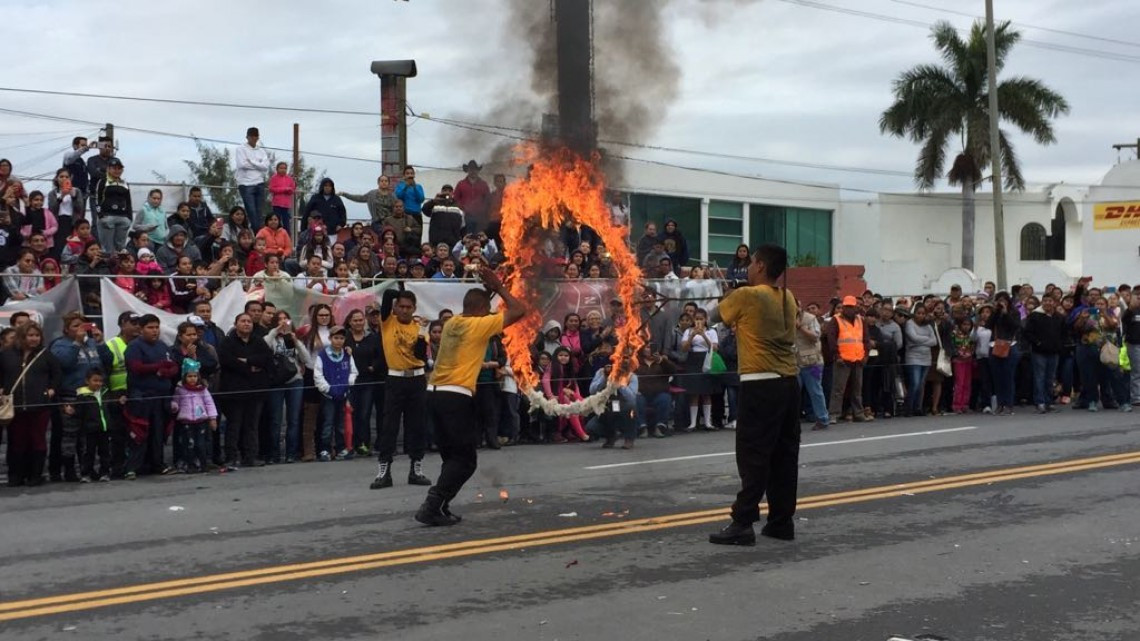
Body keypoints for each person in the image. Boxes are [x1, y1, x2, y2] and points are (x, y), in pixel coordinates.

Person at [414, 264, 526, 527]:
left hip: (434, 394)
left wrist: (487, 292)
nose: (490, 314)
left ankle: (439, 506)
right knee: (465, 461)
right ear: (482, 311)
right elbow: (520, 310)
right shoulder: (479, 324)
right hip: (456, 397)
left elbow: (475, 305)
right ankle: (432, 504)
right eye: (487, 310)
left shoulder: (453, 321)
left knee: (451, 458)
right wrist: (499, 288)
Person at [708, 244, 800, 546]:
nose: (747, 268)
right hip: (789, 383)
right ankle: (781, 522)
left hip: (760, 384)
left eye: (751, 264)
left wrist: (727, 296)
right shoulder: (788, 297)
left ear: (760, 265)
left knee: (753, 456)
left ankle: (743, 521)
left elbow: (713, 316)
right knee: (784, 456)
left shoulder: (747, 295)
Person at [370, 288, 432, 488]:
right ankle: (384, 471)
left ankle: (416, 469)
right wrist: (403, 290)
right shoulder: (388, 321)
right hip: (395, 379)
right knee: (389, 426)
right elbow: (388, 294)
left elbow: (421, 356)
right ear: (396, 307)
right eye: (402, 306)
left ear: (414, 308)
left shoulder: (418, 327)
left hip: (417, 379)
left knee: (417, 425)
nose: (405, 310)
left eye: (409, 307)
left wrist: (423, 332)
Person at [1, 322, 61, 487]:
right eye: (30, 335)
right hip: (16, 405)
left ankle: (36, 475)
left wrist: (51, 389)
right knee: (16, 441)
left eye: (37, 335)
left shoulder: (45, 355)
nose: (34, 339)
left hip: (39, 405)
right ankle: (16, 476)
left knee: (37, 440)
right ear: (22, 336)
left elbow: (57, 374)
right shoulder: (7, 355)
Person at [123, 315, 179, 478]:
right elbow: (136, 367)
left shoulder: (163, 346)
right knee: (139, 432)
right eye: (150, 327)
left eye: (156, 327)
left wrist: (167, 371)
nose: (154, 331)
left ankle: (157, 464)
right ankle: (132, 467)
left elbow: (173, 365)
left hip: (161, 396)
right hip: (142, 396)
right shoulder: (134, 347)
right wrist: (158, 368)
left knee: (158, 433)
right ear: (141, 329)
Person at [219, 312, 274, 468]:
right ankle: (231, 457)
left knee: (252, 425)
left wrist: (247, 360)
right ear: (236, 324)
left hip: (255, 391)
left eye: (249, 321)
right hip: (234, 391)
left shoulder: (258, 341)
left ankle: (250, 456)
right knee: (234, 425)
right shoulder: (228, 342)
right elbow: (227, 361)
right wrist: (250, 367)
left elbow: (267, 358)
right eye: (243, 321)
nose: (246, 324)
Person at [823, 296, 872, 423]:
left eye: (851, 307)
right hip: (842, 360)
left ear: (856, 307)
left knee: (857, 389)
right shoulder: (836, 320)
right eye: (847, 307)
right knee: (838, 389)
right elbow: (831, 340)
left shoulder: (861, 320)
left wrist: (866, 355)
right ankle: (834, 414)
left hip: (858, 358)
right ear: (843, 307)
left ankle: (858, 413)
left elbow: (866, 339)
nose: (849, 309)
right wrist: (837, 356)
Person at [313, 325, 357, 461]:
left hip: (343, 394)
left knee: (340, 424)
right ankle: (325, 449)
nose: (339, 341)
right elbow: (318, 375)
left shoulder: (347, 355)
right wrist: (328, 389)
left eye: (341, 338)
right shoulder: (322, 356)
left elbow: (353, 371)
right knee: (327, 423)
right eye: (336, 338)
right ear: (330, 338)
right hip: (329, 396)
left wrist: (348, 384)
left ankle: (340, 448)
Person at [170, 358, 218, 474]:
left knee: (201, 443)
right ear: (184, 377)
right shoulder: (180, 390)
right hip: (186, 421)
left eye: (195, 376)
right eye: (189, 376)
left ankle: (203, 463)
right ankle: (189, 464)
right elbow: (176, 401)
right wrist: (174, 406)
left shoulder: (202, 390)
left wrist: (212, 418)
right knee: (188, 443)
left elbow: (209, 403)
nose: (192, 379)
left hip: (201, 420)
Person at [1023, 295, 1065, 413]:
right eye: (1045, 301)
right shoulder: (1035, 316)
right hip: (1039, 352)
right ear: (1042, 302)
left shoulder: (1059, 317)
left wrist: (1059, 345)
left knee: (1050, 378)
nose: (1048, 303)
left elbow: (1064, 333)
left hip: (1054, 352)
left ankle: (1049, 401)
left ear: (1054, 303)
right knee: (1039, 377)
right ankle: (1040, 402)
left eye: (1050, 301)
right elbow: (1027, 333)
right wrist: (1038, 343)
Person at [72, 368, 114, 482]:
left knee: (105, 452)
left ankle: (105, 472)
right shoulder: (82, 395)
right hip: (89, 429)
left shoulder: (105, 392)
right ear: (87, 381)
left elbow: (110, 408)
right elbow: (79, 412)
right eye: (95, 380)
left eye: (100, 381)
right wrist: (72, 412)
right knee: (88, 453)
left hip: (104, 428)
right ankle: (86, 474)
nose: (98, 383)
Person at [795, 302, 828, 431]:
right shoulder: (785, 319)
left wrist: (800, 328)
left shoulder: (810, 318)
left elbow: (815, 337)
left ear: (799, 306)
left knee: (816, 391)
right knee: (791, 392)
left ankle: (822, 419)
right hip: (795, 363)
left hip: (814, 362)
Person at [903, 306, 938, 417]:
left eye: (923, 313)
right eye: (918, 313)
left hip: (926, 358)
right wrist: (926, 339)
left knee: (921, 384)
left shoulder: (928, 326)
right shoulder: (909, 324)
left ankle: (918, 407)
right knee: (915, 383)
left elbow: (934, 341)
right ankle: (909, 407)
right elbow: (913, 338)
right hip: (913, 358)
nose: (921, 315)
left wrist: (920, 340)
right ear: (914, 313)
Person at [93, 158, 132, 253]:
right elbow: (97, 199)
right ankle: (107, 267)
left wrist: (129, 218)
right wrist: (101, 215)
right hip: (107, 216)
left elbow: (128, 201)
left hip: (123, 218)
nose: (117, 170)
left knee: (120, 248)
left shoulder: (125, 183)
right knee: (107, 249)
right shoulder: (103, 181)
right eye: (114, 168)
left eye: (119, 168)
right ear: (108, 169)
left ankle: (119, 267)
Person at [235, 127, 270, 230]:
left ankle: (257, 233)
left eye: (256, 136)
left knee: (259, 212)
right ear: (247, 137)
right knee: (251, 211)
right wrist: (258, 164)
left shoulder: (261, 151)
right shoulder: (241, 149)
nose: (254, 138)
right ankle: (256, 233)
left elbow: (265, 167)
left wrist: (251, 161)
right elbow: (242, 164)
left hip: (259, 183)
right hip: (246, 184)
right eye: (251, 136)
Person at [453, 160, 491, 234]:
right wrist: (462, 208)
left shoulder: (483, 184)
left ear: (477, 171)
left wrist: (483, 210)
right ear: (467, 170)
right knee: (468, 237)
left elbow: (488, 200)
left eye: (475, 169)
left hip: (480, 217)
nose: (473, 171)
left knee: (479, 238)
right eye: (471, 169)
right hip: (466, 216)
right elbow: (456, 199)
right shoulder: (461, 184)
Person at [425, 184, 465, 250]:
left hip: (453, 243)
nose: (447, 192)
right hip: (436, 242)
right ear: (441, 192)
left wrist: (462, 242)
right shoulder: (435, 204)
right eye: (445, 190)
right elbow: (425, 210)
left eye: (449, 191)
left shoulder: (458, 207)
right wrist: (433, 201)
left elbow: (463, 226)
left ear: (452, 193)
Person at [267, 162, 296, 234]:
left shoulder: (289, 179)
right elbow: (271, 189)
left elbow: (293, 188)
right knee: (276, 221)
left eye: (285, 168)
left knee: (286, 222)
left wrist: (289, 190)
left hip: (286, 205)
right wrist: (284, 189)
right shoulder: (274, 178)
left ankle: (287, 238)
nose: (283, 170)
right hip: (277, 204)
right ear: (277, 169)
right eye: (281, 168)